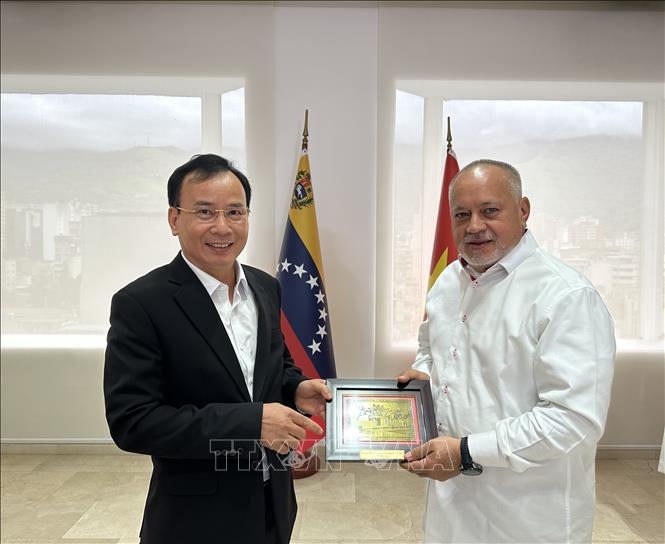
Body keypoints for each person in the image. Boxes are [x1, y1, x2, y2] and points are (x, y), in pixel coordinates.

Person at [104, 154, 331, 544]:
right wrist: (251, 424)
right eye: (205, 212)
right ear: (174, 219)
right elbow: (133, 421)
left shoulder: (265, 288)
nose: (222, 227)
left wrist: (295, 389)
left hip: (272, 503)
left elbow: (273, 368)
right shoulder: (141, 303)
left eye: (235, 212)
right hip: (194, 518)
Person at [397, 159, 615, 543]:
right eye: (462, 215)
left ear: (523, 209)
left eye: (490, 210)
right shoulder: (449, 282)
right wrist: (423, 381)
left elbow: (572, 420)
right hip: (450, 511)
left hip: (528, 518)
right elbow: (430, 353)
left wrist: (466, 453)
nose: (475, 226)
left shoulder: (567, 296)